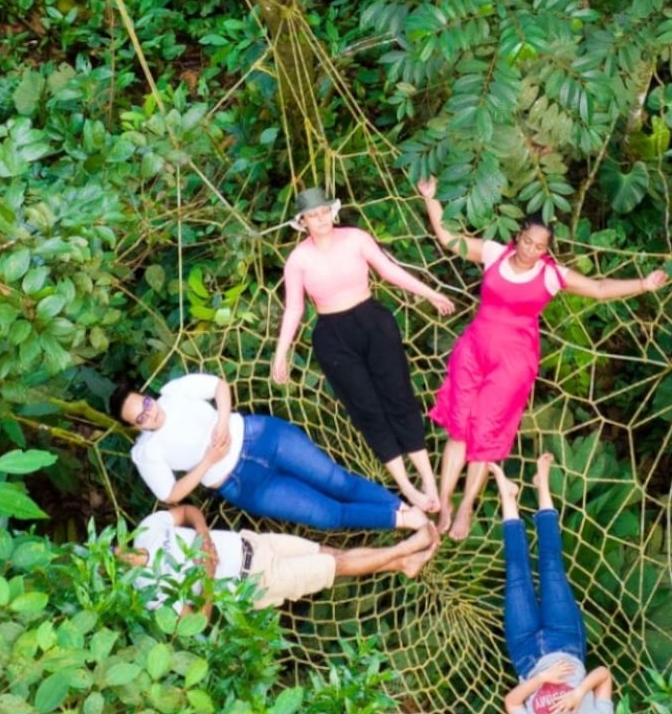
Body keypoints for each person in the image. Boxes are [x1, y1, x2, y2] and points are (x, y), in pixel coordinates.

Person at [417, 177, 669, 539]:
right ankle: (443, 503)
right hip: (473, 349)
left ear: (546, 250)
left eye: (539, 246)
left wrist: (642, 284)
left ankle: (466, 507)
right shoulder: (493, 253)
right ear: (517, 236)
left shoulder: (551, 275)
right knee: (458, 427)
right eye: (527, 241)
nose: (530, 250)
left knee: (485, 433)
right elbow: (447, 238)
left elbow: (598, 289)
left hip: (513, 363)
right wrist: (431, 198)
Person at [273, 185, 456, 515]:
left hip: (373, 322)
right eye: (313, 216)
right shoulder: (298, 259)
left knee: (398, 396)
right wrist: (281, 354)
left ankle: (428, 479)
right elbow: (294, 309)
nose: (321, 219)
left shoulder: (356, 238)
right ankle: (407, 487)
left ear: (333, 211)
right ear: (303, 222)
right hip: (333, 337)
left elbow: (389, 271)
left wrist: (430, 293)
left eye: (324, 212)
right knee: (367, 409)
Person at [108, 370, 428, 532]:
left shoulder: (172, 392)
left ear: (147, 395)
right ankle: (400, 520)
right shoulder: (147, 453)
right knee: (327, 515)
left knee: (337, 481)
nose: (149, 413)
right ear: (134, 426)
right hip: (243, 483)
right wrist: (208, 461)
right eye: (140, 417)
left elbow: (219, 386)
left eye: (145, 404)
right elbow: (171, 494)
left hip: (261, 437)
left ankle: (403, 506)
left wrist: (221, 423)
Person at [493, 455, 613, 714]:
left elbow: (512, 703)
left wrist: (541, 681)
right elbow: (604, 674)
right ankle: (542, 485)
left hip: (526, 653)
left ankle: (508, 497)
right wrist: (577, 692)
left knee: (516, 574)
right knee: (551, 565)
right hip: (565, 640)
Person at [122, 503, 439, 615]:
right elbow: (197, 622)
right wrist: (206, 578)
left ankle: (403, 565)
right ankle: (407, 548)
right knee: (335, 566)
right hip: (256, 583)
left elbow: (188, 512)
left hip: (254, 544)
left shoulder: (147, 530)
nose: (120, 557)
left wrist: (203, 535)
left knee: (331, 554)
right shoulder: (150, 589)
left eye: (111, 550)